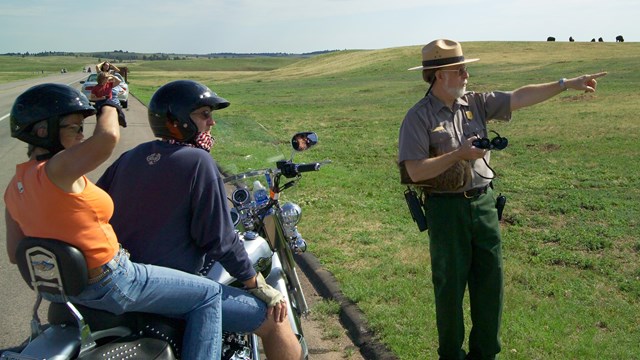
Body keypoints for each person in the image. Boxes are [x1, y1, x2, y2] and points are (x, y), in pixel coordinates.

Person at [397, 39, 607, 360]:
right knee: (450, 289)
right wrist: (458, 155)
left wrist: (565, 85)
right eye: (460, 70)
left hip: (484, 205)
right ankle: (450, 355)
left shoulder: (476, 103)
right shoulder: (418, 117)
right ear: (440, 75)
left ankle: (485, 355)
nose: (467, 74)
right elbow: (413, 171)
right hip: (445, 210)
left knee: (490, 287)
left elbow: (520, 96)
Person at [4, 83, 227, 359]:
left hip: (66, 291)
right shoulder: (57, 169)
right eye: (75, 127)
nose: (83, 135)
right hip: (114, 280)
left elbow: (15, 252)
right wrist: (109, 102)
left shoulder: (15, 186)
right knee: (209, 296)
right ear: (43, 131)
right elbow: (108, 136)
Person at [97, 80, 303, 360]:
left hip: (121, 282)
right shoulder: (198, 161)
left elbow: (97, 209)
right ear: (178, 121)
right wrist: (256, 283)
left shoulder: (129, 157)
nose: (211, 122)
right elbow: (219, 239)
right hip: (168, 291)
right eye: (204, 114)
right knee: (274, 320)